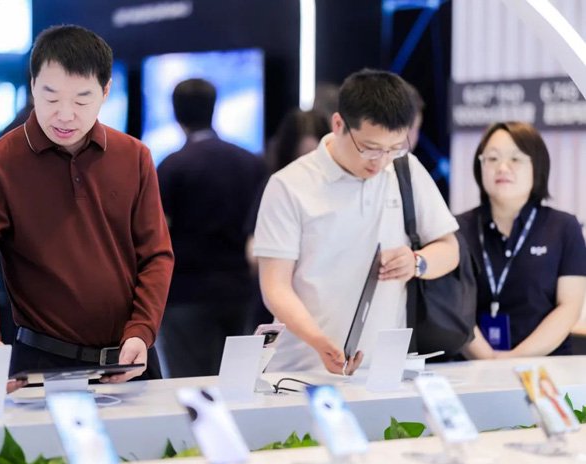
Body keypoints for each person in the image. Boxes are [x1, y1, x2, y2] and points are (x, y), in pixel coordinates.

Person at [0, 25, 174, 385]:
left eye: (82, 100)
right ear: (33, 86)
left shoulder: (134, 156)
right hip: (43, 362)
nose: (65, 115)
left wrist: (141, 331)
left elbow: (156, 255)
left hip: (130, 359)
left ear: (105, 91)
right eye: (51, 98)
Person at [253, 69, 459, 375]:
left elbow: (450, 249)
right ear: (338, 124)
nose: (381, 160)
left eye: (394, 147)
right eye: (370, 148)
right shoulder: (289, 185)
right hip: (301, 368)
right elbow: (275, 286)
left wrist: (417, 262)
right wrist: (319, 341)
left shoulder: (405, 169)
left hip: (385, 369)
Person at [156, 78, 266, 377]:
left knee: (191, 387)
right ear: (213, 108)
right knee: (237, 383)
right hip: (240, 291)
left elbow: (158, 232)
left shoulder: (172, 166)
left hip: (186, 294)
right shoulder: (251, 162)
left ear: (176, 113)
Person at [458, 122, 586, 358]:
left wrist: (513, 359)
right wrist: (488, 360)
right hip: (472, 367)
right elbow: (453, 306)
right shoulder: (457, 230)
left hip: (546, 367)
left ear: (537, 166)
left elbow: (569, 307)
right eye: (492, 158)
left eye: (515, 159)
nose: (502, 167)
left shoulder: (564, 227)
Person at [245, 108, 330, 330]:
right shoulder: (278, 185)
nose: (307, 168)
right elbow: (253, 249)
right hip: (277, 307)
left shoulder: (340, 189)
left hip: (325, 306)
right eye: (301, 158)